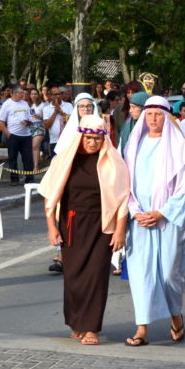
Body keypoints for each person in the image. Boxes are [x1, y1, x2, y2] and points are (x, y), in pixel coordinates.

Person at [40, 115, 130, 345]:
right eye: (88, 138)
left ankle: (91, 328)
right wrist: (51, 227)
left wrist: (120, 230)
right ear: (81, 137)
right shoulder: (65, 161)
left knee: (96, 276)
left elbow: (122, 199)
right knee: (73, 275)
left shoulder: (113, 162)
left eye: (97, 139)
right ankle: (77, 322)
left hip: (102, 225)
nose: (92, 143)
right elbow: (50, 195)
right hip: (72, 224)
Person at [123, 95, 185, 347]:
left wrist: (161, 213)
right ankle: (142, 328)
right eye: (150, 114)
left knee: (167, 273)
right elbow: (126, 184)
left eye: (159, 114)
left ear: (166, 116)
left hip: (168, 220)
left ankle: (176, 316)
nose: (154, 119)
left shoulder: (178, 148)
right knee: (142, 274)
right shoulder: (135, 144)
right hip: (140, 220)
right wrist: (135, 211)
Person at [0, 85, 35, 186]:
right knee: (13, 158)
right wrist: (7, 133)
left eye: (23, 93)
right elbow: (0, 121)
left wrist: (28, 122)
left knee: (28, 158)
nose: (23, 94)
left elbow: (30, 117)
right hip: (13, 135)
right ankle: (14, 179)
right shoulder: (7, 104)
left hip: (26, 135)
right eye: (21, 93)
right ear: (14, 93)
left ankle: (29, 178)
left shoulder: (25, 103)